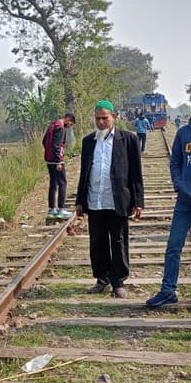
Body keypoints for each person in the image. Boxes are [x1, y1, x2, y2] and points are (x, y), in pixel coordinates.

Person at [145, 89, 191, 309]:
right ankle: (168, 290)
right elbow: (175, 162)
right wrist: (179, 185)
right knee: (174, 245)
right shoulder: (184, 133)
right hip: (185, 199)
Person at [75, 100, 144, 299]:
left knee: (119, 240)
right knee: (97, 241)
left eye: (105, 118)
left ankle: (118, 281)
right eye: (98, 118)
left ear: (114, 117)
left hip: (118, 199)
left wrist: (138, 200)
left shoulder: (128, 140)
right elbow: (84, 172)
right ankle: (101, 279)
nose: (101, 122)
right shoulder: (89, 141)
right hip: (95, 198)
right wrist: (80, 200)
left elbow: (136, 173)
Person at [42, 113, 76, 220]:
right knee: (62, 183)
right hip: (56, 160)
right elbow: (57, 145)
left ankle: (52, 209)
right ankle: (61, 209)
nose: (69, 127)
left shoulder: (52, 125)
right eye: (70, 124)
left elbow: (44, 141)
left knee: (53, 183)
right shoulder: (60, 127)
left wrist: (49, 153)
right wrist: (58, 161)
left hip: (49, 159)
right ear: (67, 119)